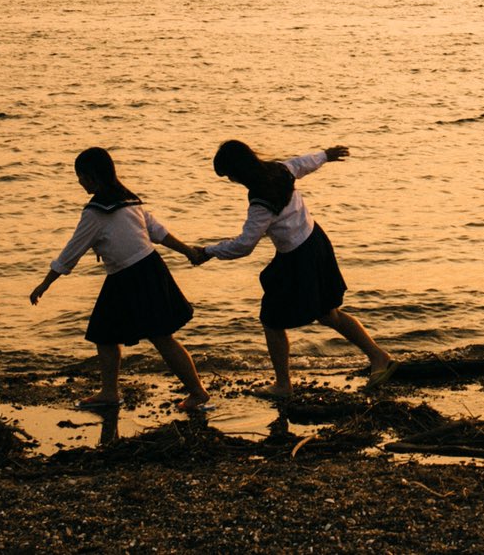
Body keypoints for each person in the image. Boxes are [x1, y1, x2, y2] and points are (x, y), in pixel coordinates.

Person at [191, 140, 396, 398]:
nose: (230, 180)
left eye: (229, 175)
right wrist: (325, 155)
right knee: (328, 314)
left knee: (272, 319)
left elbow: (244, 246)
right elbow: (302, 163)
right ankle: (379, 356)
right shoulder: (280, 170)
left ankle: (283, 385)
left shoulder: (260, 203)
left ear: (238, 172)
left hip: (299, 257)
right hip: (315, 242)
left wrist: (208, 251)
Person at [29, 146, 210, 413]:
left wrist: (44, 284)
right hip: (148, 269)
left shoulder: (96, 212)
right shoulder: (129, 201)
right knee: (109, 333)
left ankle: (196, 393)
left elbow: (71, 252)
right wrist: (187, 252)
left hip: (132, 276)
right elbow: (159, 233)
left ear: (92, 177)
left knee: (154, 337)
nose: (79, 182)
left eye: (80, 176)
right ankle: (111, 392)